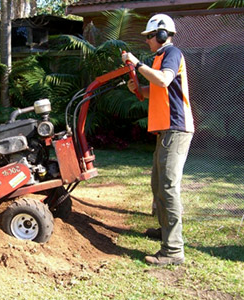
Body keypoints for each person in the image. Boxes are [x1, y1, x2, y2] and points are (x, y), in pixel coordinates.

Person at [122, 14, 194, 266]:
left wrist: (137, 63)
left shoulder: (172, 53)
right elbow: (156, 89)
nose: (148, 41)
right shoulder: (159, 58)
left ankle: (173, 250)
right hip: (165, 130)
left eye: (150, 36)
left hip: (176, 129)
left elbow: (164, 79)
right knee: (158, 184)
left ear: (163, 35)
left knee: (168, 187)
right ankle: (165, 231)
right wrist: (137, 88)